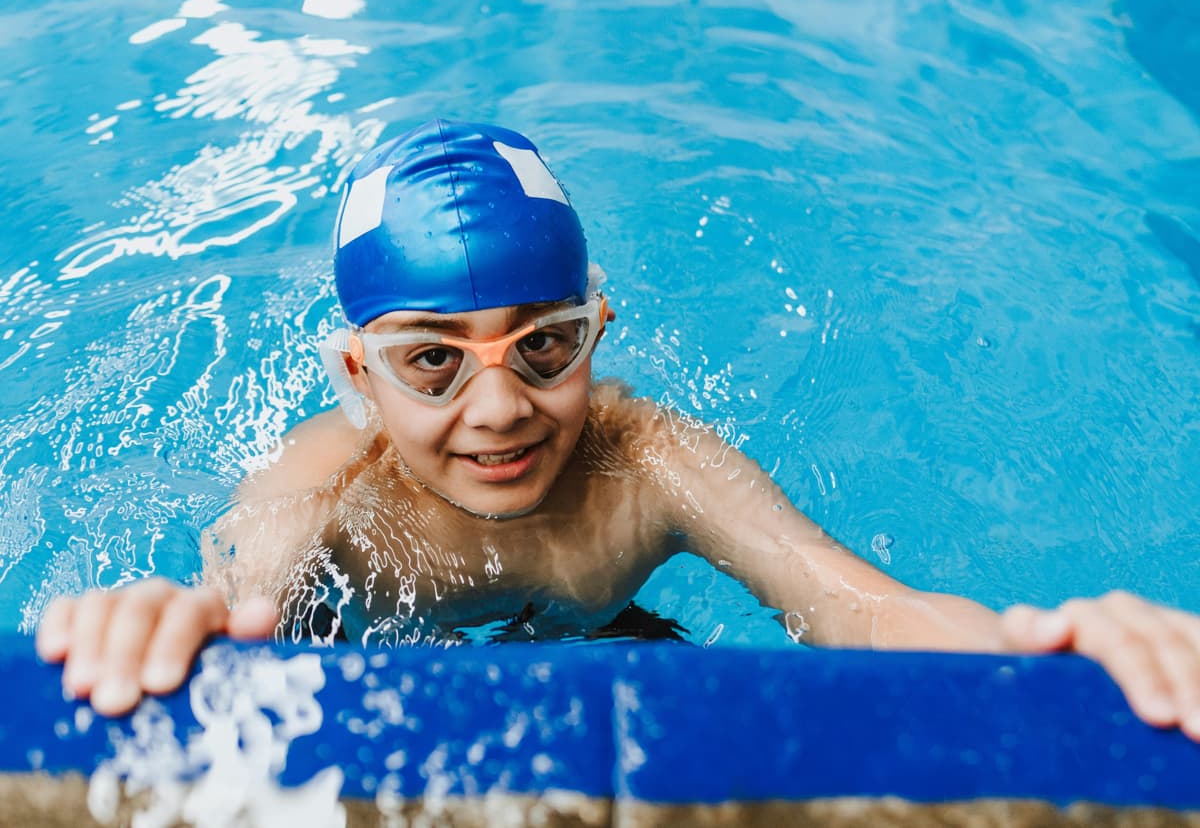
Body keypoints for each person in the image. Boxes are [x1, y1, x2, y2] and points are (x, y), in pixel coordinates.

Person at [36, 120, 1200, 741]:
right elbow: (242, 597)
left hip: (611, 645)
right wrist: (172, 634)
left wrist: (1043, 654)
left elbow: (854, 603)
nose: (499, 408)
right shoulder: (329, 482)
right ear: (355, 374)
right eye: (431, 362)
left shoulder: (648, 463)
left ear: (599, 330)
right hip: (379, 665)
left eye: (543, 346)